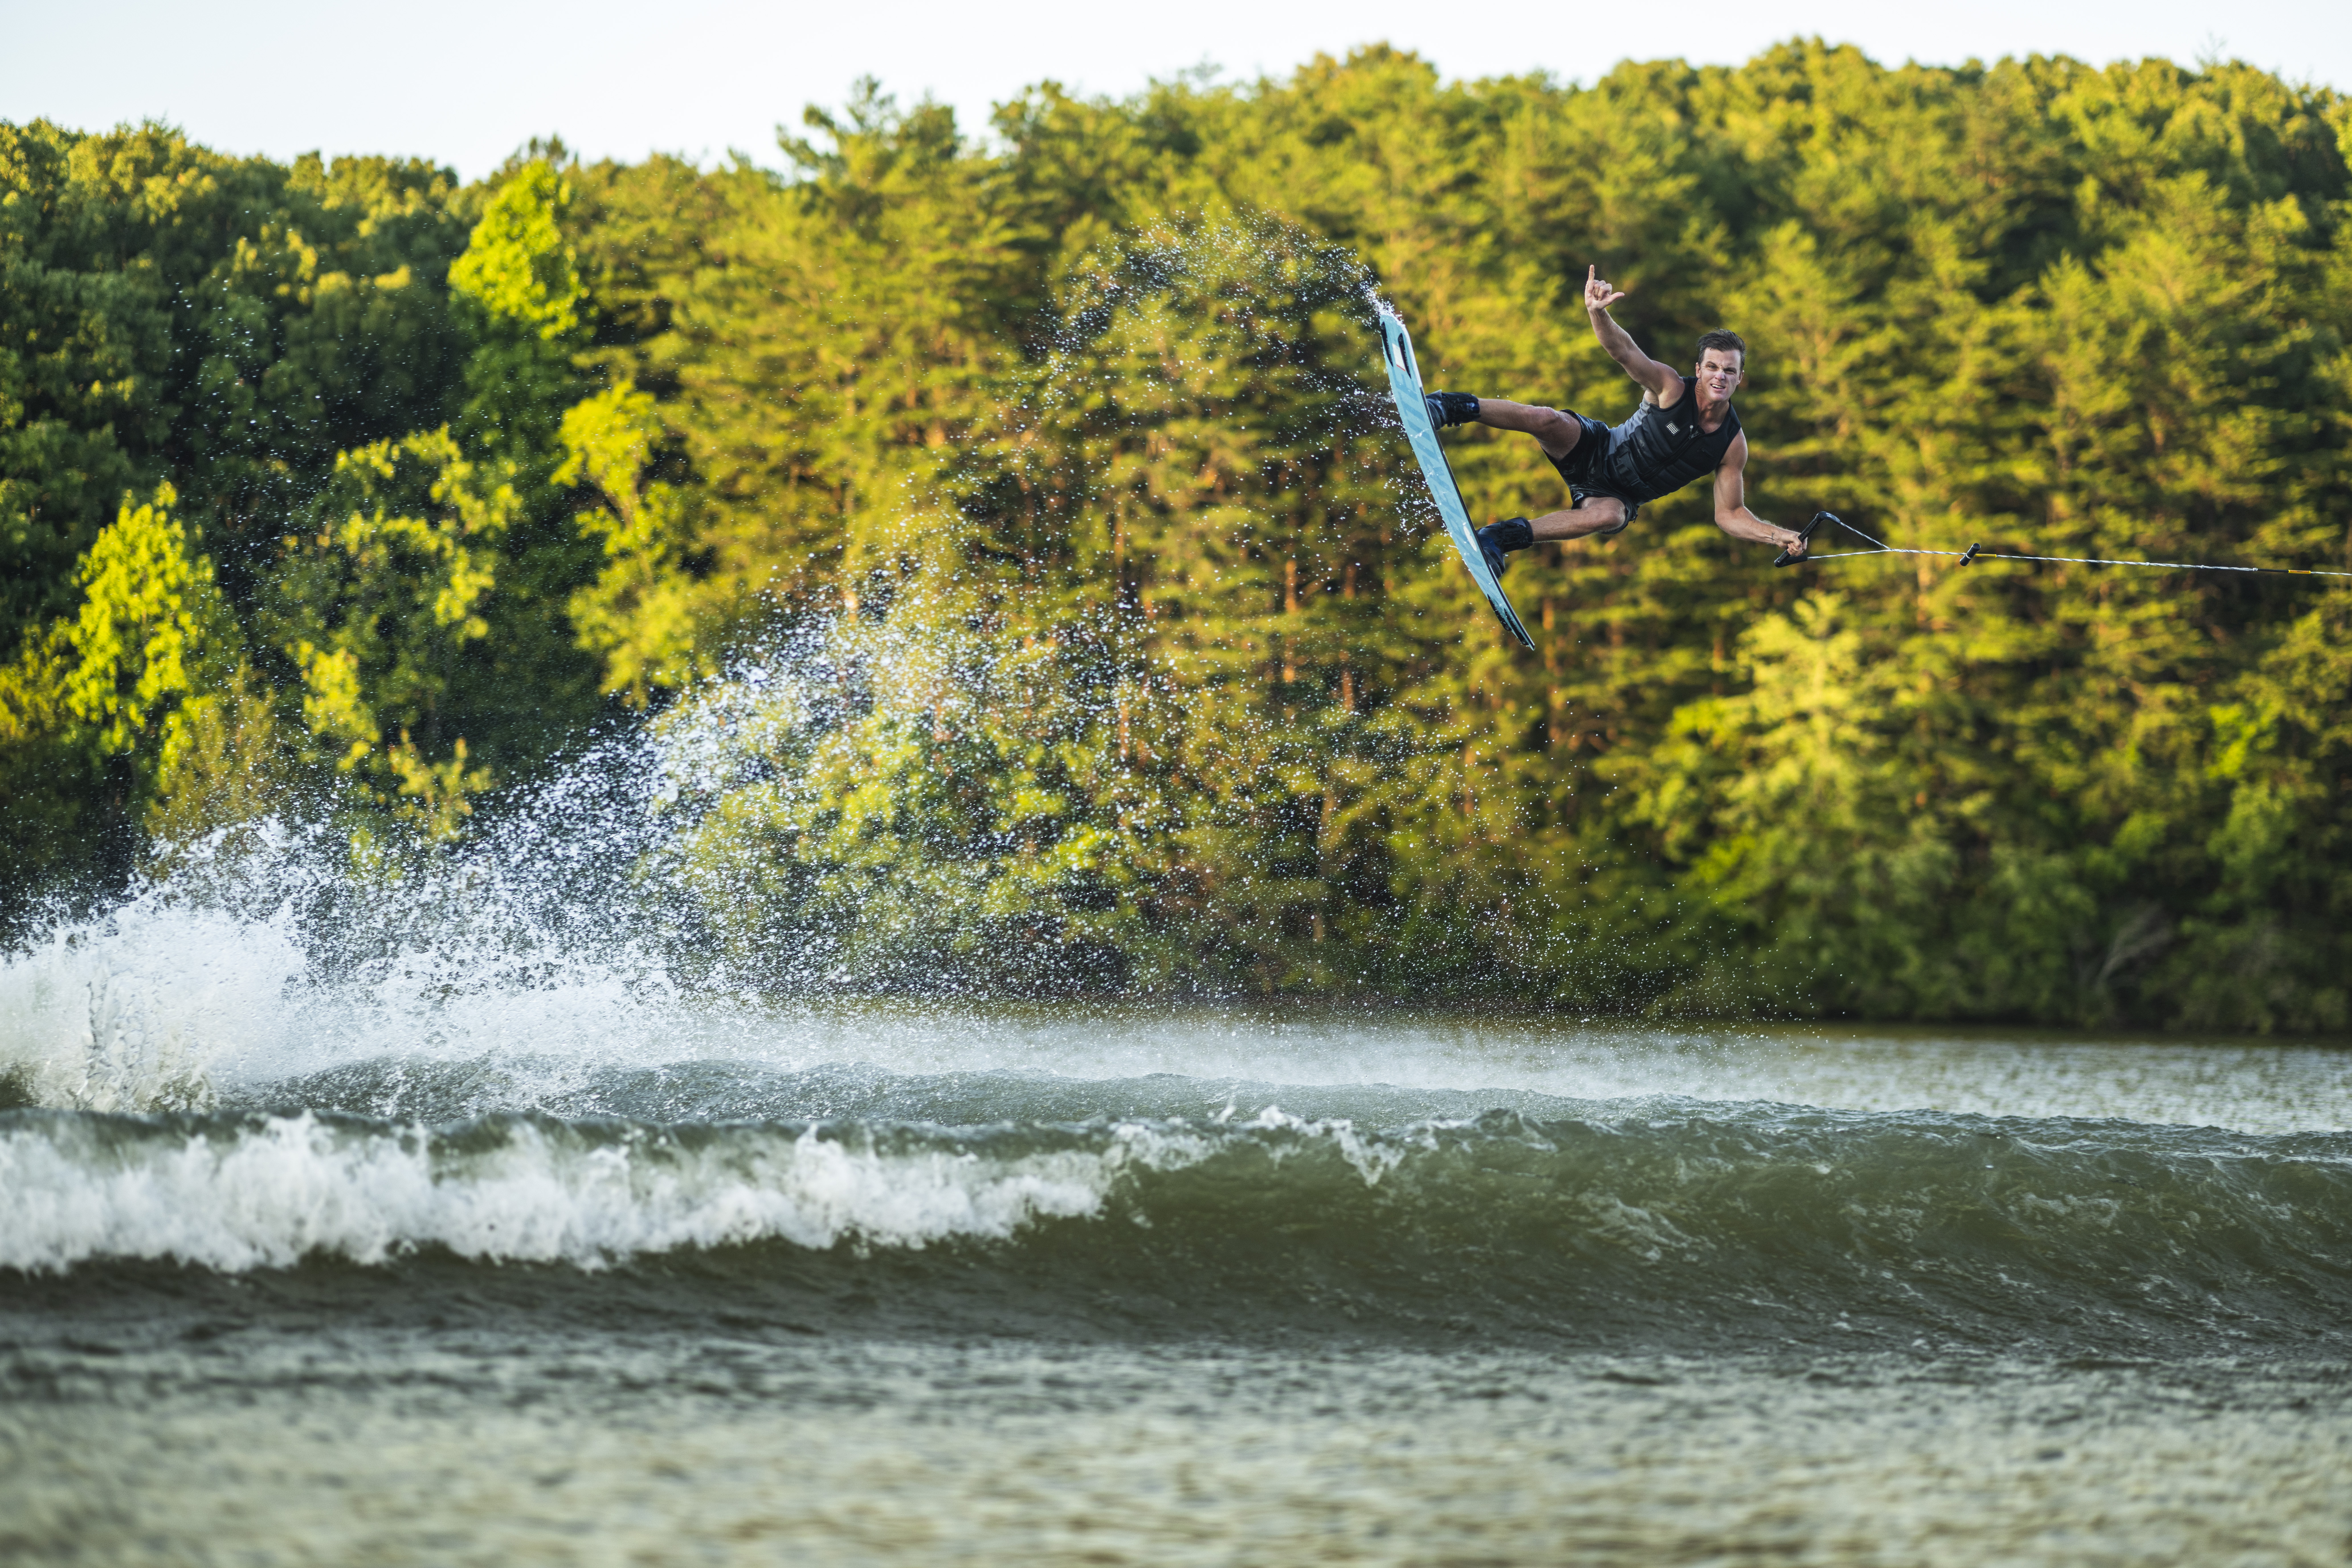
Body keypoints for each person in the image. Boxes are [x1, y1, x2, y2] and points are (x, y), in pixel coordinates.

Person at [1424, 265, 1820, 575]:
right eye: (1713, 367)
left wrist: (1778, 535)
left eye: (1729, 371)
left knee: (1610, 517)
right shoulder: (1670, 388)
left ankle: (1498, 538)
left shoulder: (1732, 445)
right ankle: (1450, 407)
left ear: (1740, 378)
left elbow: (1730, 515)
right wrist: (1599, 315)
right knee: (1548, 420)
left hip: (1616, 497)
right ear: (1698, 370)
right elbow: (1624, 352)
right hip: (1597, 450)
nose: (1720, 376)